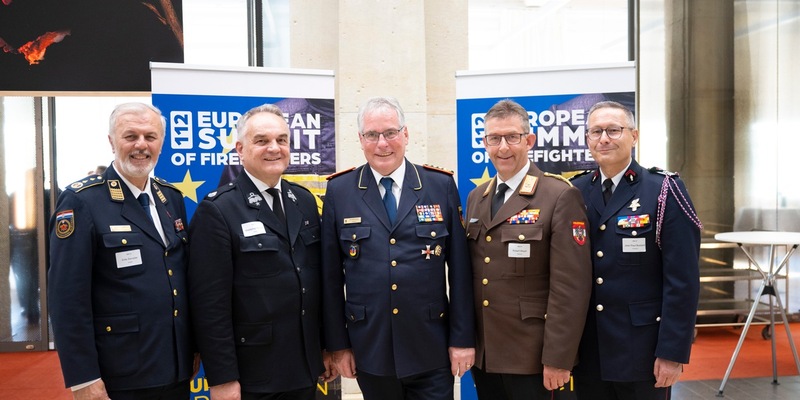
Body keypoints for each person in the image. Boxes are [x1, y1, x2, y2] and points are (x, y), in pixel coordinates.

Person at [321, 96, 475, 400]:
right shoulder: (340, 191)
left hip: (430, 345)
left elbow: (460, 271)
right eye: (372, 135)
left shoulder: (439, 185)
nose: (382, 143)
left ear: (405, 134)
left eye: (391, 132)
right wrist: (338, 345)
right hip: (370, 347)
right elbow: (329, 278)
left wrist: (462, 339)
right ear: (361, 140)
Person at [48, 102, 196, 399]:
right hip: (119, 370)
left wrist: (192, 348)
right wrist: (83, 377)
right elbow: (66, 297)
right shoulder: (83, 201)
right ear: (111, 141)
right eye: (131, 136)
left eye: (150, 137)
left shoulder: (171, 198)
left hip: (175, 365)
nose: (141, 145)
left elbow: (178, 278)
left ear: (161, 143)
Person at [188, 104, 336, 400]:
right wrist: (222, 377)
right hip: (252, 374)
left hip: (305, 367)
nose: (274, 148)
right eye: (262, 140)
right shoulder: (218, 210)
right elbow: (209, 306)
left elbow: (317, 282)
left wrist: (325, 347)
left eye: (282, 140)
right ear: (240, 149)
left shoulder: (304, 201)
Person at [571, 101, 702, 399]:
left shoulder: (664, 190)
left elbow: (682, 280)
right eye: (595, 131)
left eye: (614, 130)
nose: (604, 138)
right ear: (588, 139)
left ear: (634, 136)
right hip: (589, 351)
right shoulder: (576, 192)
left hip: (643, 350)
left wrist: (673, 352)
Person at [464, 99, 592, 399]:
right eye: (494, 139)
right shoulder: (476, 197)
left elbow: (571, 287)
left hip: (533, 356)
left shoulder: (559, 195)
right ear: (485, 143)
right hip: (487, 355)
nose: (503, 147)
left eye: (512, 137)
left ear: (529, 140)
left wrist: (558, 358)